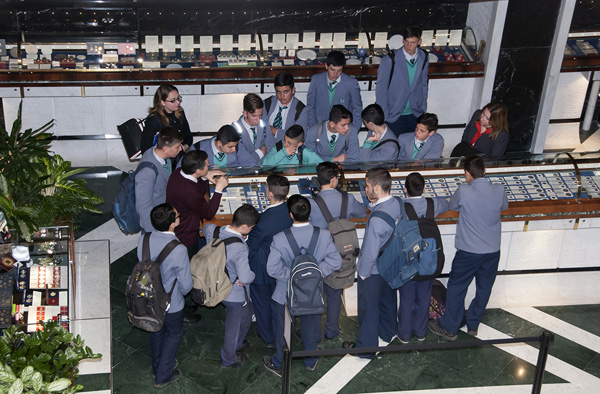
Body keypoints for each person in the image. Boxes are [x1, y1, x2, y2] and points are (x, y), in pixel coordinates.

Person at [428, 156, 508, 341]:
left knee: (457, 287)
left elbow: (452, 205)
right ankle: (473, 324)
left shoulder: (464, 190)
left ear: (466, 173)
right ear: (485, 170)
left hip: (468, 251)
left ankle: (450, 327)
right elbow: (505, 206)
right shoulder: (498, 189)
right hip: (492, 251)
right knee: (484, 288)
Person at [263, 195, 341, 376]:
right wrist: (314, 273)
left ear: (291, 215)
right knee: (311, 327)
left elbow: (272, 269)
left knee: (283, 331)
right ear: (309, 213)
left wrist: (292, 276)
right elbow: (335, 261)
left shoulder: (280, 238)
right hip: (312, 292)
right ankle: (311, 360)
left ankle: (280, 363)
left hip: (285, 293)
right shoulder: (323, 234)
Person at [342, 168, 400, 358]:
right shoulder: (398, 202)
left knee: (369, 309)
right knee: (388, 300)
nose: (365, 189)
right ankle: (388, 332)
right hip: (391, 264)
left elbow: (370, 250)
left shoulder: (376, 220)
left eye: (367, 186)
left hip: (374, 270)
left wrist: (363, 272)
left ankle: (366, 348)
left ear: (376, 187)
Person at [309, 161, 367, 341]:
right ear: (334, 179)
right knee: (334, 296)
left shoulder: (311, 203)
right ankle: (331, 330)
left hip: (318, 255)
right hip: (339, 254)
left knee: (315, 296)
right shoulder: (347, 199)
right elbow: (361, 212)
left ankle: (314, 332)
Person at [139, 203, 192, 389]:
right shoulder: (178, 249)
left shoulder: (144, 238)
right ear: (172, 224)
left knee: (155, 330)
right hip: (171, 302)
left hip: (147, 297)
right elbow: (186, 285)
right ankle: (163, 375)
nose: (179, 217)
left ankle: (158, 365)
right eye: (177, 216)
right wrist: (185, 293)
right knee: (173, 335)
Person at [204, 204, 260, 368]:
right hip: (232, 293)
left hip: (212, 284)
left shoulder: (212, 231)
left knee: (242, 318)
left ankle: (238, 343)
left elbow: (207, 225)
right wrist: (252, 275)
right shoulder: (239, 248)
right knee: (233, 327)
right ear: (244, 227)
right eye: (251, 227)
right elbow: (245, 277)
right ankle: (229, 358)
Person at [398, 172, 448, 343]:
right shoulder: (432, 204)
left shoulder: (400, 207)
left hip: (409, 263)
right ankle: (420, 332)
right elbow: (446, 205)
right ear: (425, 188)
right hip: (429, 262)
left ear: (405, 189)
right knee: (424, 298)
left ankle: (404, 334)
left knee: (406, 300)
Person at [246, 174, 293, 348]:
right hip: (284, 266)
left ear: (270, 193)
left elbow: (252, 246)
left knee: (262, 303)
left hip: (263, 267)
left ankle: (267, 336)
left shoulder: (263, 222)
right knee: (279, 301)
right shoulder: (290, 212)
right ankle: (281, 330)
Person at [166, 149, 228, 258]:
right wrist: (219, 189)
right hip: (186, 235)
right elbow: (209, 213)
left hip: (177, 229)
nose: (209, 166)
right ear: (198, 170)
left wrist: (204, 177)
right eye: (207, 166)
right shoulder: (189, 191)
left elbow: (197, 194)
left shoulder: (178, 172)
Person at [376, 25, 429, 137]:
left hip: (415, 113)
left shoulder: (424, 56)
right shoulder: (390, 60)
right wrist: (384, 113)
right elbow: (381, 89)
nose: (408, 46)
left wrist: (423, 106)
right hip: (394, 114)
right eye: (406, 41)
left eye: (413, 42)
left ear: (419, 41)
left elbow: (424, 83)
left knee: (411, 149)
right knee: (394, 148)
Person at [136, 127, 183, 234]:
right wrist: (151, 233)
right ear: (166, 149)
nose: (180, 149)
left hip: (163, 214)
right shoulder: (147, 172)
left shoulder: (163, 156)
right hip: (154, 223)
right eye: (177, 147)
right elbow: (143, 206)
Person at [306, 50, 363, 136]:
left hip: (343, 131)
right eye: (332, 70)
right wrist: (314, 128)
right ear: (326, 66)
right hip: (321, 130)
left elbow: (357, 109)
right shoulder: (316, 80)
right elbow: (310, 107)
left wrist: (353, 131)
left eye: (339, 70)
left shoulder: (351, 83)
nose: (335, 74)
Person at [141, 84, 193, 154]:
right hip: (163, 161)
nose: (178, 102)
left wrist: (184, 147)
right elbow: (146, 149)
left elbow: (188, 136)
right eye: (173, 101)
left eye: (178, 98)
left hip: (179, 158)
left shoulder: (180, 112)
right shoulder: (153, 120)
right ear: (162, 102)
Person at [262, 72, 309, 140]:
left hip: (288, 148)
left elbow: (298, 138)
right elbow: (260, 129)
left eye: (286, 92)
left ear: (293, 90)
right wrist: (284, 133)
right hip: (266, 147)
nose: (282, 96)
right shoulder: (266, 104)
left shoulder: (301, 110)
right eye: (278, 92)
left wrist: (275, 131)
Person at [232, 93, 274, 164]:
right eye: (254, 116)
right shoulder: (233, 130)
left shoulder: (264, 125)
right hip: (244, 172)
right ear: (245, 113)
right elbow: (240, 160)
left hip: (264, 170)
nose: (258, 119)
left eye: (260, 115)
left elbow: (270, 150)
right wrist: (260, 153)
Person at [189, 125, 256, 167]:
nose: (234, 150)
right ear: (219, 143)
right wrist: (207, 172)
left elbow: (251, 164)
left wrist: (232, 169)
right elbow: (182, 169)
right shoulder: (197, 148)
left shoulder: (237, 146)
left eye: (235, 146)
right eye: (230, 147)